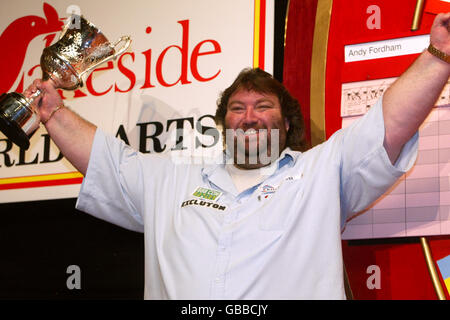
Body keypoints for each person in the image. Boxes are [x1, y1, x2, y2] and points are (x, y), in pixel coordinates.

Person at [24, 13, 450, 299]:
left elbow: (386, 126)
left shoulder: (323, 172)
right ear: (223, 125)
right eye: (237, 109)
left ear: (286, 126)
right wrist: (52, 111)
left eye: (264, 107)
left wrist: (438, 56)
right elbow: (105, 161)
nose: (249, 118)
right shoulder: (169, 180)